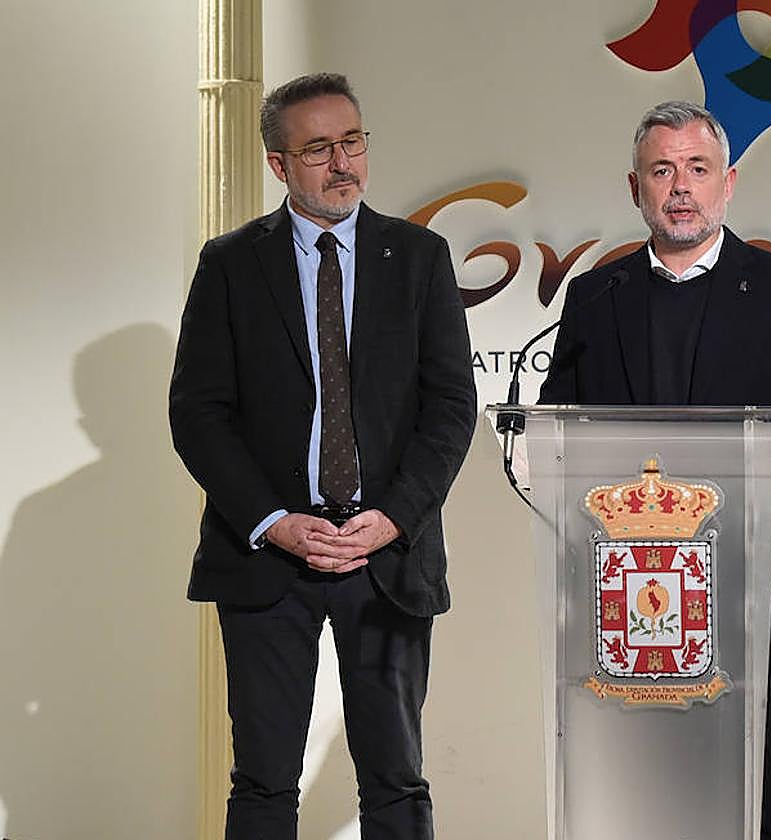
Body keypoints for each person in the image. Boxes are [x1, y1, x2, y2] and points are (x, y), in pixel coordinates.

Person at [170, 72, 476, 840]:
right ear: (279, 163)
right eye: (318, 150)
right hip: (269, 557)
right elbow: (198, 414)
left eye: (352, 142)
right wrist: (273, 519)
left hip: (386, 555)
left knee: (397, 781)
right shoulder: (231, 264)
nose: (343, 164)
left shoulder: (419, 257)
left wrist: (395, 518)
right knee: (264, 781)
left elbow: (449, 409)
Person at [538, 101, 771, 839]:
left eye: (698, 169)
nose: (681, 187)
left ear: (728, 183)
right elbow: (557, 433)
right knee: (643, 806)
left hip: (757, 595)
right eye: (662, 170)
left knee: (759, 801)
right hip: (628, 601)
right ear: (636, 189)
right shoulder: (597, 296)